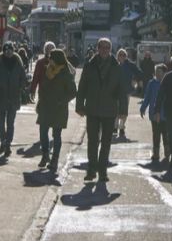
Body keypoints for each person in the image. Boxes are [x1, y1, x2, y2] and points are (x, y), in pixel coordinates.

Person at [76, 38, 128, 183]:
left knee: (106, 142)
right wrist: (79, 106)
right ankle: (91, 170)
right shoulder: (90, 65)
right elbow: (82, 87)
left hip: (109, 109)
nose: (105, 50)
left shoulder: (116, 66)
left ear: (110, 49)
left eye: (107, 47)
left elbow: (122, 89)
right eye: (102, 47)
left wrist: (123, 110)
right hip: (92, 108)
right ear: (98, 48)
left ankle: (103, 172)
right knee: (92, 141)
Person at [35, 48, 77, 173]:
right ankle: (45, 155)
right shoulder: (48, 70)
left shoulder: (65, 73)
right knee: (43, 132)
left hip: (59, 108)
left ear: (57, 59)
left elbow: (73, 92)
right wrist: (40, 101)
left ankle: (54, 160)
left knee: (56, 135)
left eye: (51, 57)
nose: (49, 60)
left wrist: (61, 101)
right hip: (45, 106)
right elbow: (42, 87)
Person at [0, 42, 24, 157]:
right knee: (0, 122)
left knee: (10, 123)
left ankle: (8, 144)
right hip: (1, 97)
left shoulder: (18, 63)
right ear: (3, 51)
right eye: (6, 50)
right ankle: (3, 141)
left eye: (10, 50)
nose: (8, 52)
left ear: (13, 50)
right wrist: (0, 84)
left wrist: (20, 86)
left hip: (13, 97)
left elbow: (23, 79)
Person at [140, 64, 170, 164]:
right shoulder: (151, 83)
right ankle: (156, 153)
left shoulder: (168, 83)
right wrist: (143, 107)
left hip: (166, 114)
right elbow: (147, 97)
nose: (157, 73)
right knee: (156, 134)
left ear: (164, 72)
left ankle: (167, 151)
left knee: (166, 134)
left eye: (159, 71)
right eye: (156, 71)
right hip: (154, 114)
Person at [115, 49, 142, 140]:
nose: (122, 56)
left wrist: (137, 82)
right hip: (115, 91)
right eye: (120, 55)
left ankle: (122, 128)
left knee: (124, 111)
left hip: (126, 91)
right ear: (117, 56)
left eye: (123, 55)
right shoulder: (114, 64)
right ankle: (115, 127)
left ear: (126, 56)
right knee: (115, 109)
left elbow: (139, 73)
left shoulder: (130, 65)